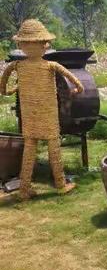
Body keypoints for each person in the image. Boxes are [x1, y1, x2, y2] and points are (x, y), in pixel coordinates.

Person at [0, 19, 84, 200]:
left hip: (30, 118)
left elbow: (3, 86)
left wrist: (12, 90)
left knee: (29, 151)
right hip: (48, 116)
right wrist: (76, 91)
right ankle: (61, 185)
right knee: (54, 150)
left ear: (21, 45)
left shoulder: (17, 66)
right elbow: (78, 84)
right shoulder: (51, 66)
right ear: (44, 45)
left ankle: (24, 189)